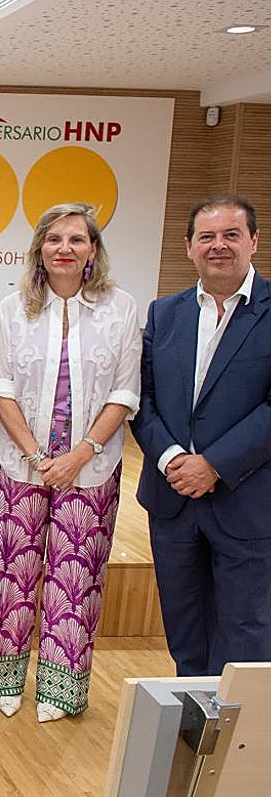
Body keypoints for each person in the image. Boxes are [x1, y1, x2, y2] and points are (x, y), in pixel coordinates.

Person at [0, 203, 139, 722]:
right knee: (11, 571)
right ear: (38, 250)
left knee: (77, 576)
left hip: (91, 467)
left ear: (93, 250)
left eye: (77, 239)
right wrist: (39, 457)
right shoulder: (13, 307)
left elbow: (125, 390)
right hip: (21, 464)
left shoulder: (121, 307)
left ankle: (60, 690)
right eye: (54, 239)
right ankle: (3, 678)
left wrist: (80, 453)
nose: (64, 248)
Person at [132, 194, 271, 676]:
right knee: (184, 628)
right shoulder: (165, 314)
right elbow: (141, 398)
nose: (218, 246)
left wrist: (214, 464)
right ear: (189, 246)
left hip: (246, 500)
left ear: (253, 241)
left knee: (245, 633)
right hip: (172, 500)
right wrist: (171, 457)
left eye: (231, 235)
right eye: (207, 237)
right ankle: (191, 731)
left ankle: (235, 745)